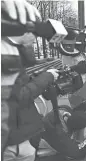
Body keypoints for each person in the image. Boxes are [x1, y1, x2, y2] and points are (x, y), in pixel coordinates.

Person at [1, 0, 41, 153]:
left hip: (21, 135)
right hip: (14, 141)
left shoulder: (16, 51)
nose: (35, 38)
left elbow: (28, 66)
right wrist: (47, 78)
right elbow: (19, 94)